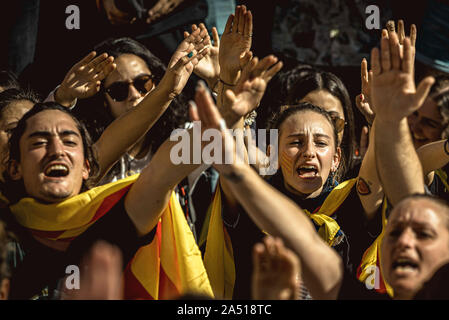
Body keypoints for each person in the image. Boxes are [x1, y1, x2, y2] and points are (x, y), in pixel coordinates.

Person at [2, 101, 213, 299]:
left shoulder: (107, 224)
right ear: (15, 168)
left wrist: (223, 118)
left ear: (86, 167)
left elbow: (161, 174)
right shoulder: (5, 233)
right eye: (39, 142)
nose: (57, 151)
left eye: (69, 141)